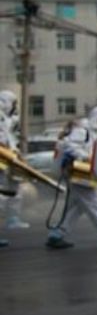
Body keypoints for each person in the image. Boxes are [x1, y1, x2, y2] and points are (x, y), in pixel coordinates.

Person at [45, 105, 97, 249]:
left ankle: (57, 234)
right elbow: (71, 145)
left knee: (76, 207)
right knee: (96, 204)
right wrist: (86, 157)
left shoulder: (90, 131)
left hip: (80, 173)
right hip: (77, 173)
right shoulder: (83, 130)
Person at [0, 90, 27, 231]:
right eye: (13, 103)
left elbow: (11, 138)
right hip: (2, 159)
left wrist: (16, 152)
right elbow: (3, 139)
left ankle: (13, 218)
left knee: (16, 189)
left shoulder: (8, 118)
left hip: (10, 158)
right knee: (2, 194)